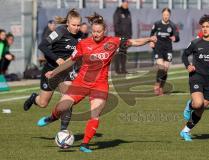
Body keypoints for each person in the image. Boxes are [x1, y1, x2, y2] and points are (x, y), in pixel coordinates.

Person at [37, 12, 156, 152]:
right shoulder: (83, 43)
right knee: (62, 106)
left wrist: (149, 39)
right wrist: (54, 72)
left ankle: (85, 144)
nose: (96, 34)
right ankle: (52, 117)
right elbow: (71, 61)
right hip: (80, 83)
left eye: (99, 32)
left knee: (95, 113)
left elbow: (134, 42)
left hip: (100, 85)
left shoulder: (113, 42)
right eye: (93, 31)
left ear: (104, 31)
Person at [23, 8, 82, 130]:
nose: (76, 27)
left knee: (68, 98)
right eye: (74, 25)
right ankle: (34, 98)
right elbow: (42, 45)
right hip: (50, 70)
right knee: (43, 103)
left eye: (78, 25)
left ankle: (63, 130)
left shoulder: (80, 36)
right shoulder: (59, 31)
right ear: (68, 23)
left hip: (65, 72)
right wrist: (57, 59)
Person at [180, 15, 209, 141]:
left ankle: (185, 131)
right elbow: (184, 55)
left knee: (201, 109)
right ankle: (190, 105)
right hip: (196, 76)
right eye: (203, 27)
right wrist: (188, 65)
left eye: (207, 27)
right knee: (198, 103)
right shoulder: (196, 42)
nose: (205, 29)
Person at [150, 7, 179, 96]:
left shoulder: (173, 26)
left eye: (167, 15)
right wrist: (151, 41)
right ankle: (156, 85)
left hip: (168, 49)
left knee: (165, 70)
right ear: (162, 15)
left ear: (169, 15)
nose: (166, 16)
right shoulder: (157, 24)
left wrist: (175, 38)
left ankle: (161, 87)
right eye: (164, 15)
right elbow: (151, 34)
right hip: (158, 48)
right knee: (161, 67)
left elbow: (177, 37)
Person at [113, 0, 132, 74]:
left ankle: (123, 69)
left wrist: (130, 35)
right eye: (125, 2)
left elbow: (130, 24)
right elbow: (116, 24)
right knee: (118, 53)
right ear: (122, 3)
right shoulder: (118, 11)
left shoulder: (128, 12)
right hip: (119, 36)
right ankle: (117, 70)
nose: (127, 4)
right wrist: (120, 35)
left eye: (127, 2)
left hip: (126, 36)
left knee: (124, 53)